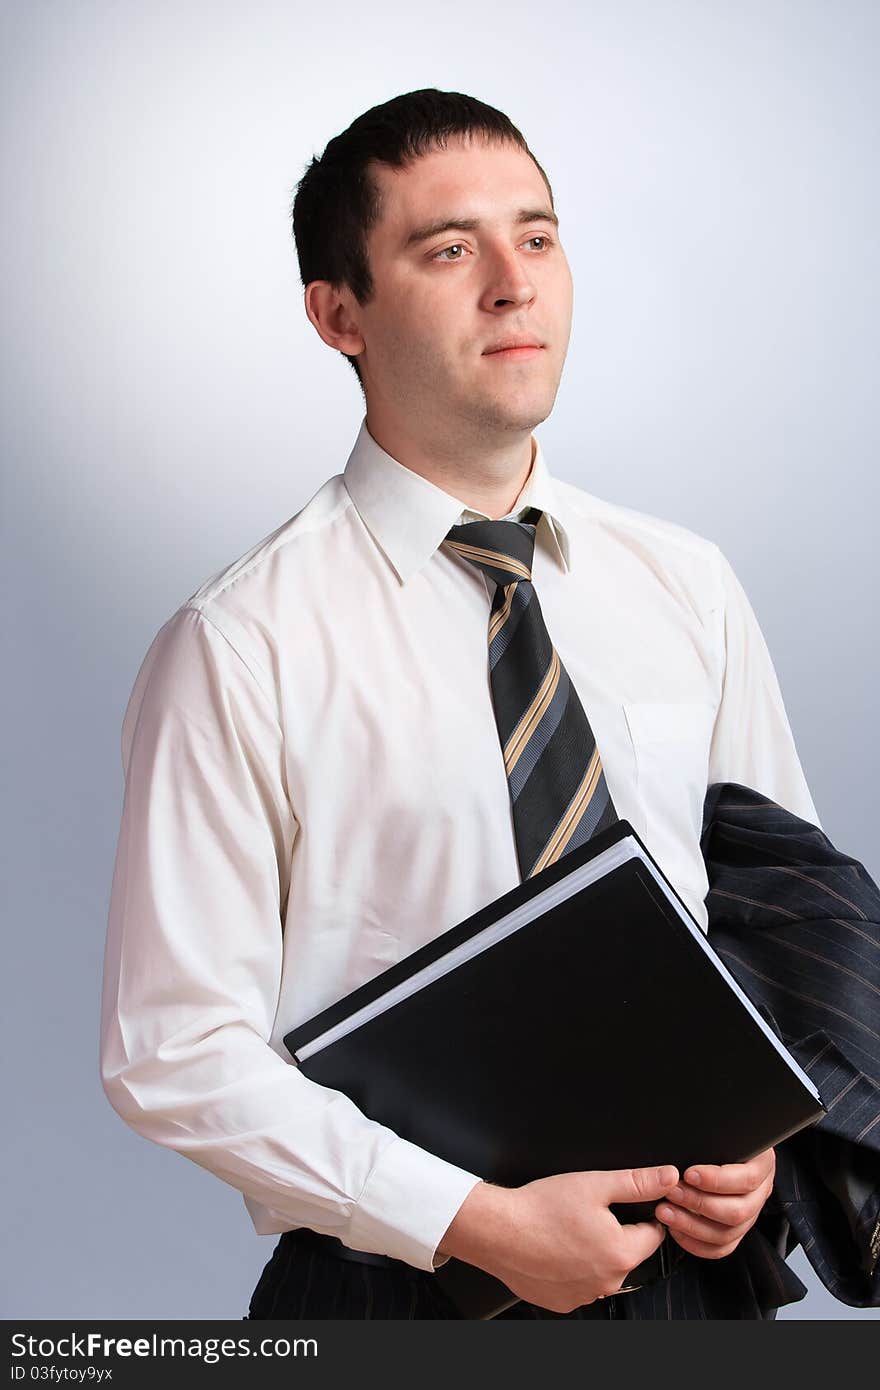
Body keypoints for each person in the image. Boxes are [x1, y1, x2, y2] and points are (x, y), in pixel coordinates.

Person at [99, 89, 818, 1320]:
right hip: (405, 1289)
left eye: (536, 237)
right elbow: (172, 1051)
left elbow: (774, 917)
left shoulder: (685, 584)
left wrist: (755, 1145)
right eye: (448, 249)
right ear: (339, 315)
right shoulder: (239, 644)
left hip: (691, 1281)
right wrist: (469, 1222)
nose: (511, 283)